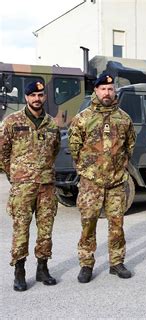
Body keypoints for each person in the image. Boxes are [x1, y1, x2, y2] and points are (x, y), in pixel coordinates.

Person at [68, 74, 136, 283]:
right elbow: (74, 148)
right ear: (96, 91)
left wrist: (119, 167)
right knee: (88, 223)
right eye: (103, 89)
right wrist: (87, 170)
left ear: (114, 91)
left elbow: (129, 147)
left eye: (110, 89)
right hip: (91, 182)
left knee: (117, 224)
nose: (107, 93)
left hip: (116, 182)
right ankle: (86, 264)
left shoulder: (123, 118)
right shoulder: (83, 118)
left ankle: (116, 262)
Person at [0, 81, 60, 291]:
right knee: (21, 229)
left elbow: (54, 150)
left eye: (40, 95)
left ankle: (42, 269)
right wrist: (15, 175)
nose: (36, 98)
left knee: (45, 230)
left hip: (46, 186)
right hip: (22, 187)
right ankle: (19, 271)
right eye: (32, 95)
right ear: (26, 97)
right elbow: (2, 153)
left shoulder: (52, 124)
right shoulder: (12, 121)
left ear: (44, 97)